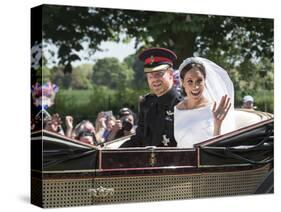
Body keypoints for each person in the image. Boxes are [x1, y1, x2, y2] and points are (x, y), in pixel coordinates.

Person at [121, 47, 182, 147]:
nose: (154, 79)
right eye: (150, 75)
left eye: (159, 74)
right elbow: (139, 139)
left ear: (170, 74)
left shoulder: (181, 105)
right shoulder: (146, 103)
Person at [174, 57, 235, 148]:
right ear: (183, 82)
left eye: (199, 81)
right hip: (182, 160)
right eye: (190, 81)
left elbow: (220, 149)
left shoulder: (215, 108)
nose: (196, 87)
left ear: (204, 80)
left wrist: (218, 124)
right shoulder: (177, 109)